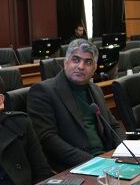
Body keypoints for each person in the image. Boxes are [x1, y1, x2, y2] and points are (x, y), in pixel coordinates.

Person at [27, 39, 122, 172]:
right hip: (73, 168)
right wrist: (94, 162)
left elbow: (114, 126)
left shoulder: (96, 90)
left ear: (94, 68)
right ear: (65, 62)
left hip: (107, 160)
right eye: (76, 60)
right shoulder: (43, 91)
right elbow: (48, 139)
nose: (81, 66)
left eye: (88, 62)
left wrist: (123, 152)